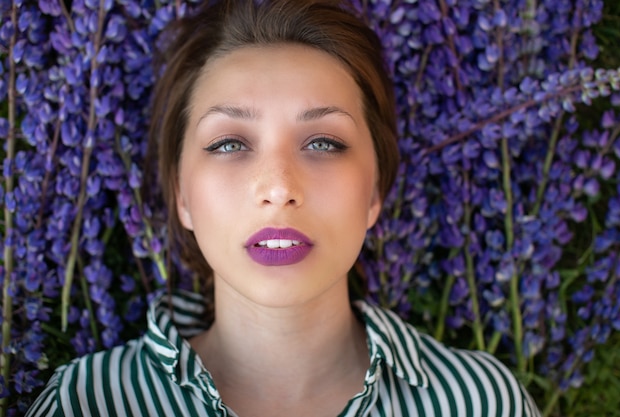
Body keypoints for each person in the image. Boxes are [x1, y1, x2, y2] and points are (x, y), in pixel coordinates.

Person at [27, 0, 541, 416]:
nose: (278, 187)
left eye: (322, 142)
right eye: (229, 143)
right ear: (181, 195)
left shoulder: (480, 402)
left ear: (375, 191)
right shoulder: (88, 402)